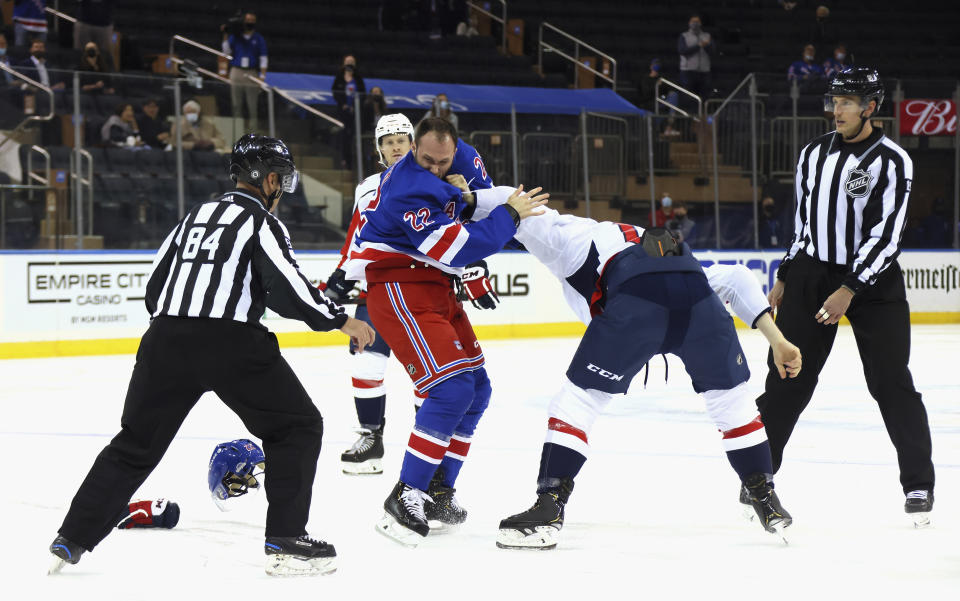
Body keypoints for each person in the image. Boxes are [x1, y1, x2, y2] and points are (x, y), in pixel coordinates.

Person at [47, 133, 376, 577]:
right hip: (232, 343)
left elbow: (155, 286)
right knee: (296, 427)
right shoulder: (261, 221)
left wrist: (174, 331)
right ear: (270, 179)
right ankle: (285, 540)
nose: (282, 189)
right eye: (281, 179)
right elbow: (288, 289)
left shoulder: (194, 216)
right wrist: (343, 320)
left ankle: (72, 538)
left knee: (134, 445)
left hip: (163, 340)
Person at [474, 197, 802, 549]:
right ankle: (766, 501)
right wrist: (778, 341)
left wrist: (468, 200)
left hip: (635, 303)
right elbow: (737, 277)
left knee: (576, 405)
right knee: (733, 406)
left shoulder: (568, 238)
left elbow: (520, 210)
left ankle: (548, 508)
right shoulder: (662, 252)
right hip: (696, 298)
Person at [343, 117, 547, 546]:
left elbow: (466, 207)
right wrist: (510, 213)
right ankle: (406, 494)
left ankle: (439, 491)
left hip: (436, 286)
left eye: (443, 160)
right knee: (450, 390)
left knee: (477, 388)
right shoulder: (405, 186)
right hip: (400, 287)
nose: (434, 167)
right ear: (413, 148)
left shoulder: (462, 161)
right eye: (426, 159)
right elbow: (458, 245)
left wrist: (486, 199)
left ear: (456, 151)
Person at [757, 67, 935, 527]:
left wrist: (850, 289)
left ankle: (918, 483)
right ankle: (758, 475)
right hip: (812, 278)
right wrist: (786, 274)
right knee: (788, 375)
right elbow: (804, 225)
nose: (836, 109)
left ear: (870, 108)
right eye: (834, 100)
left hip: (872, 287)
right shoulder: (813, 154)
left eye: (847, 102)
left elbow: (888, 235)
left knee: (891, 381)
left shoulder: (892, 161)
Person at [326, 113, 495, 475]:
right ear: (379, 149)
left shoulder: (437, 181)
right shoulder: (370, 186)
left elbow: (460, 230)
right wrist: (341, 275)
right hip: (379, 285)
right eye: (388, 141)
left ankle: (429, 446)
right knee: (366, 362)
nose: (395, 145)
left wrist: (476, 272)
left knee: (431, 379)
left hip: (424, 285)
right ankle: (371, 438)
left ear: (413, 144)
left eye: (401, 138)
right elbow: (359, 235)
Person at [222, 11, 267, 132]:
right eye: (247, 20)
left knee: (252, 106)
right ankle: (237, 131)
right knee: (237, 105)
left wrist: (262, 76)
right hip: (236, 71)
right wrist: (225, 34)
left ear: (255, 22)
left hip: (251, 73)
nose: (249, 22)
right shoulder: (236, 36)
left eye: (252, 20)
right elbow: (226, 52)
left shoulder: (258, 38)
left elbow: (263, 57)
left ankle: (253, 133)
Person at [332, 54, 365, 168]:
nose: (349, 64)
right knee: (343, 135)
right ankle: (342, 160)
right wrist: (343, 104)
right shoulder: (339, 77)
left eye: (352, 62)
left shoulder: (358, 78)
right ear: (344, 63)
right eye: (348, 62)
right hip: (342, 112)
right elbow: (335, 92)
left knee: (351, 136)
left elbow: (362, 94)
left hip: (354, 113)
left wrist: (354, 106)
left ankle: (353, 162)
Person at [677, 14, 713, 109]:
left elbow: (713, 51)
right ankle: (689, 119)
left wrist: (706, 45)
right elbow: (682, 51)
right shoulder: (684, 36)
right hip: (688, 71)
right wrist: (699, 45)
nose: (695, 23)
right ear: (689, 23)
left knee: (704, 98)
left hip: (704, 71)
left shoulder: (707, 36)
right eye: (693, 21)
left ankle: (702, 118)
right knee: (688, 97)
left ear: (700, 23)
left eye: (697, 21)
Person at [74, 0, 116, 70]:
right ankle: (79, 78)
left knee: (104, 55)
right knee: (80, 54)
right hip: (84, 21)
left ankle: (103, 79)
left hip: (105, 23)